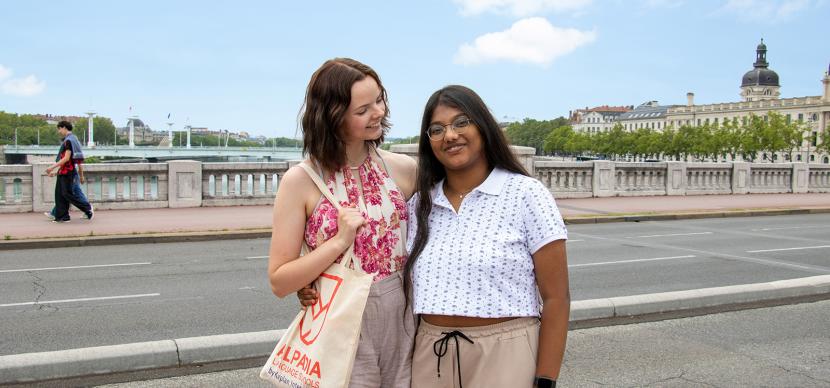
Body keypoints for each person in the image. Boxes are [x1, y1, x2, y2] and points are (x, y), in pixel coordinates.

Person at [404, 85, 570, 388]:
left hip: (505, 355)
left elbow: (556, 297)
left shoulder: (526, 195)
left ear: (483, 126)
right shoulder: (419, 205)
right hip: (431, 357)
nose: (450, 135)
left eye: (461, 122)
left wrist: (546, 378)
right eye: (437, 129)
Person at [267, 58, 417, 388]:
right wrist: (337, 243)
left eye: (378, 100)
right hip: (340, 316)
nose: (378, 112)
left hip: (402, 311)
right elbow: (279, 280)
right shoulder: (300, 181)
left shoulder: (403, 169)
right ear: (332, 117)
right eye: (362, 109)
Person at [45, 121, 93, 223]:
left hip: (67, 172)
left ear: (64, 128)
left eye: (59, 129)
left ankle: (87, 209)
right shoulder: (73, 139)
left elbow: (66, 158)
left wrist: (52, 167)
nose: (59, 131)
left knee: (67, 194)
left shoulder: (68, 141)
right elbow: (74, 159)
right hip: (65, 171)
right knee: (60, 195)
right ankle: (63, 217)